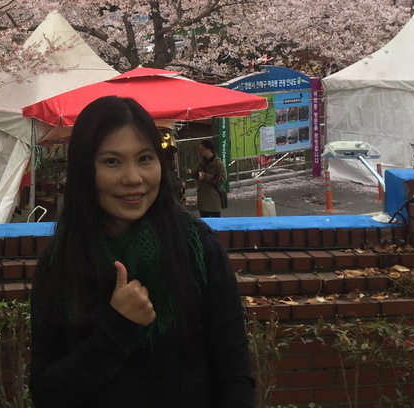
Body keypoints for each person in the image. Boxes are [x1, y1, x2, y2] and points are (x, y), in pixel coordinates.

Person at [29, 96, 254, 408]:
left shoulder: (197, 248)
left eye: (145, 158)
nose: (133, 178)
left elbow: (234, 377)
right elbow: (46, 393)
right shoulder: (62, 259)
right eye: (112, 161)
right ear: (84, 170)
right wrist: (118, 328)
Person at [192, 139, 228, 218]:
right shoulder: (202, 162)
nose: (200, 151)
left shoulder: (218, 164)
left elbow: (222, 179)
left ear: (208, 150)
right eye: (199, 149)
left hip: (213, 200)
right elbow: (198, 175)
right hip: (203, 199)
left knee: (215, 222)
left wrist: (206, 176)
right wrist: (191, 173)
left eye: (202, 149)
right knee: (204, 222)